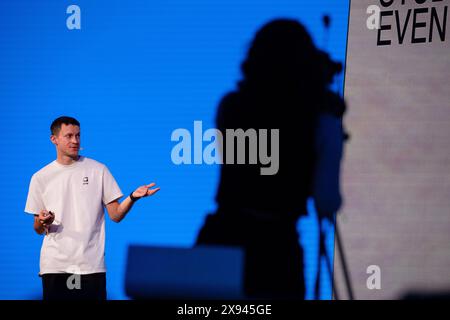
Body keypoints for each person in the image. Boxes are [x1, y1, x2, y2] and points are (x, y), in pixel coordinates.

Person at [195, 19, 345, 299]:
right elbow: (327, 201)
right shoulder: (318, 120)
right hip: (277, 254)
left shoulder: (230, 105)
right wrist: (331, 134)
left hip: (219, 240)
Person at [24, 116, 160, 300]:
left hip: (90, 266)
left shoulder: (98, 170)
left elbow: (116, 215)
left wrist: (133, 197)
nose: (75, 141)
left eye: (78, 136)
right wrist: (42, 221)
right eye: (69, 136)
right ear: (54, 139)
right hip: (55, 266)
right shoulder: (40, 177)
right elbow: (38, 228)